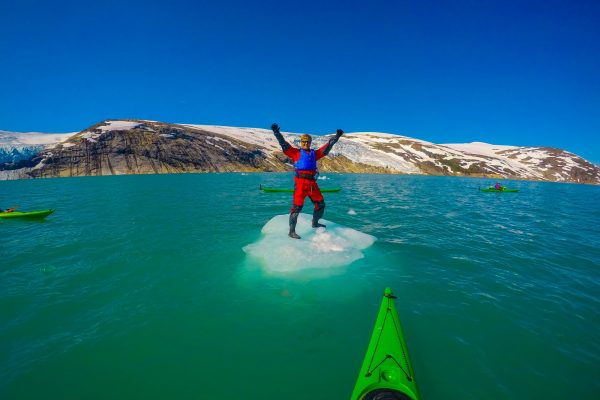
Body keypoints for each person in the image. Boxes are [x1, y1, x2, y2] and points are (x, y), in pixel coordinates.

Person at [271, 123, 344, 239]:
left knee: (321, 204)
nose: (305, 144)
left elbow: (326, 148)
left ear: (310, 143)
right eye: (303, 142)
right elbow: (284, 144)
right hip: (300, 184)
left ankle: (315, 223)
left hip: (312, 184)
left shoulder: (315, 154)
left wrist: (337, 137)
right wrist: (276, 133)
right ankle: (291, 231)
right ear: (301, 143)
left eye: (307, 142)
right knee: (296, 208)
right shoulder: (295, 152)